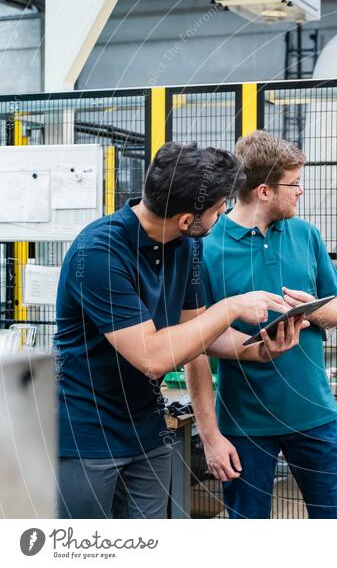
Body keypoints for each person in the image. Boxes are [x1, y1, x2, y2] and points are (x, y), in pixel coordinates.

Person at [55, 142, 305, 519]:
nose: (224, 216)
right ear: (188, 218)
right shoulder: (100, 254)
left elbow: (197, 338)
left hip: (148, 433)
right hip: (87, 440)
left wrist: (257, 348)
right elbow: (153, 358)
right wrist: (231, 306)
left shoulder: (186, 246)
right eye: (221, 209)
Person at [186, 131, 337, 519]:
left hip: (314, 414)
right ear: (263, 191)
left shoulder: (306, 235)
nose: (300, 191)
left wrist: (311, 311)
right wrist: (210, 437)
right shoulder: (206, 250)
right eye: (293, 184)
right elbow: (196, 347)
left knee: (335, 520)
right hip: (244, 425)